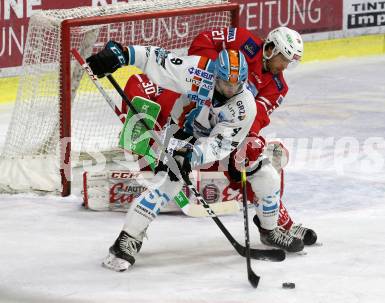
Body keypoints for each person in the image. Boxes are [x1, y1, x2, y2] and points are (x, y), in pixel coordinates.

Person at [86, 42, 303, 272]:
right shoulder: (196, 71)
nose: (230, 89)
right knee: (167, 182)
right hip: (182, 132)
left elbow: (220, 145)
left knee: (266, 174)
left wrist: (193, 156)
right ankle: (128, 239)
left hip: (219, 143)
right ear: (215, 74)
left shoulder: (245, 106)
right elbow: (155, 58)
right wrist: (123, 54)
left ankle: (270, 230)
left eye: (236, 84)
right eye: (225, 83)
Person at [188, 26, 318, 245]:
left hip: (228, 131)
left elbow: (257, 115)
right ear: (271, 49)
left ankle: (275, 222)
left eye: (290, 62)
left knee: (267, 160)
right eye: (284, 59)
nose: (285, 66)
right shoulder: (242, 40)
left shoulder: (278, 86)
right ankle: (280, 222)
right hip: (197, 116)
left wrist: (252, 139)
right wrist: (215, 71)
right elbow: (202, 41)